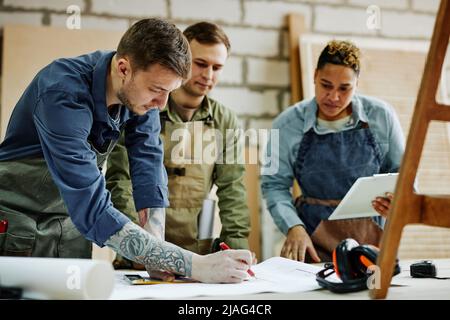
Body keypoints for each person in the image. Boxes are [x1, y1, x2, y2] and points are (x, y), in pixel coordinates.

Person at [0, 18, 252, 283]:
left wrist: (155, 252)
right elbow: (91, 206)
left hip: (70, 226)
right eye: (157, 90)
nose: (162, 103)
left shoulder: (143, 98)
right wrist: (194, 265)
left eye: (169, 91)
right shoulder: (61, 93)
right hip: (20, 222)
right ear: (123, 69)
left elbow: (148, 161)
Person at [106, 21, 250, 270]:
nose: (208, 75)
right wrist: (137, 249)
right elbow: (121, 180)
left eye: (217, 67)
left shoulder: (225, 121)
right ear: (181, 59)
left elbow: (232, 191)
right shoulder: (143, 105)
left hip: (197, 253)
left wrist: (235, 249)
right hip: (140, 254)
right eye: (201, 64)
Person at [261, 40, 404, 262]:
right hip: (312, 244)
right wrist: (293, 227)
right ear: (315, 75)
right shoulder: (286, 124)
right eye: (326, 85)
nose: (334, 97)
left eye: (344, 88)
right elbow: (274, 185)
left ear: (356, 84)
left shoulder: (381, 116)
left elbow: (402, 175)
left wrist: (396, 202)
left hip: (371, 243)